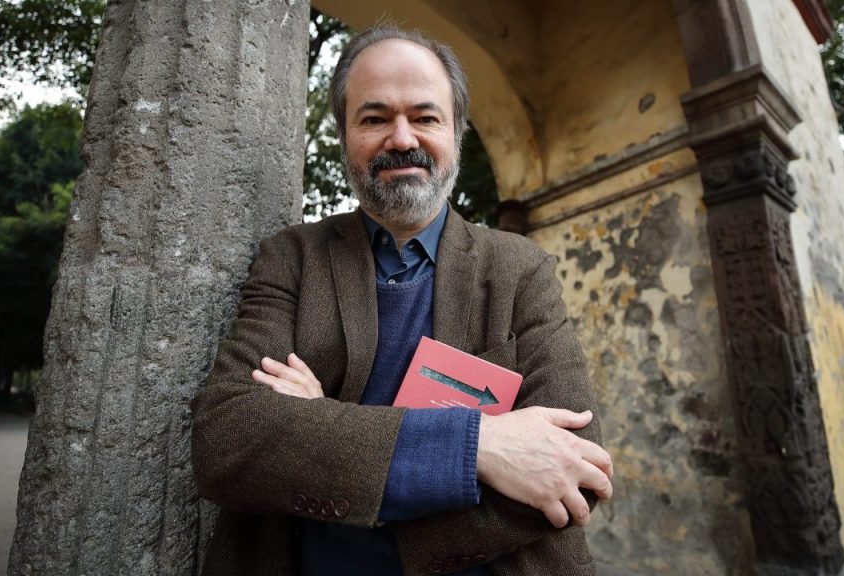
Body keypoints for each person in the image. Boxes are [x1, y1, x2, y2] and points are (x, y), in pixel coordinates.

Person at [191, 24, 613, 576]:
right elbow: (228, 442)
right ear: (344, 135)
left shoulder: (520, 269)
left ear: (456, 131)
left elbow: (575, 469)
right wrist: (477, 447)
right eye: (374, 118)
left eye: (425, 116)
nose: (401, 138)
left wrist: (323, 436)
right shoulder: (291, 258)